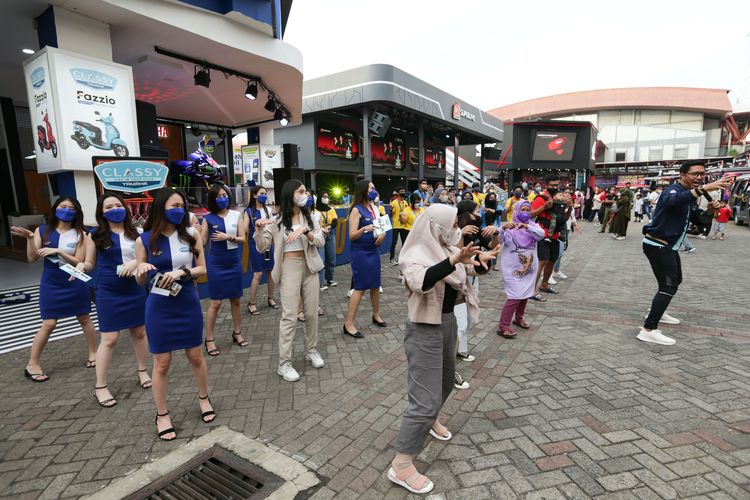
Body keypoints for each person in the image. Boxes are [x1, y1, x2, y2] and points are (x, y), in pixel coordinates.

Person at [388, 204, 494, 494]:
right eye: (451, 225)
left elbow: (462, 273)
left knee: (447, 383)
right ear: (435, 226)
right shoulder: (414, 253)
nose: (456, 230)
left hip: (446, 322)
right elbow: (421, 281)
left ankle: (431, 419)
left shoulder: (444, 246)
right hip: (424, 328)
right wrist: (455, 259)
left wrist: (480, 260)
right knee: (424, 399)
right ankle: (402, 464)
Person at [135, 188, 213, 441]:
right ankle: (162, 413)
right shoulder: (144, 240)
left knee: (196, 356)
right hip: (158, 307)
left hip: (187, 302)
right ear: (161, 208)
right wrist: (141, 269)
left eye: (182, 205)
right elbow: (140, 281)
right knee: (162, 363)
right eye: (173, 205)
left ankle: (204, 398)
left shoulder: (192, 235)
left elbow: (202, 269)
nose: (179, 209)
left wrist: (182, 272)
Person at [639, 161, 730, 345]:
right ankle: (649, 329)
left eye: (702, 174)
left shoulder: (689, 197)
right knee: (668, 286)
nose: (699, 177)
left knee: (674, 281)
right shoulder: (672, 191)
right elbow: (674, 202)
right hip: (657, 245)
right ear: (682, 174)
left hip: (668, 246)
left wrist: (711, 211)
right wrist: (704, 188)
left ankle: (657, 311)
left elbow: (699, 219)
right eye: (694, 174)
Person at [10, 197, 97, 382]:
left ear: (77, 212)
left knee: (84, 318)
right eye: (63, 206)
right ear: (55, 209)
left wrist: (60, 252)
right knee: (49, 323)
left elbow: (81, 261)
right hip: (51, 283)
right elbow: (32, 258)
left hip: (75, 281)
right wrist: (31, 239)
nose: (66, 210)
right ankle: (32, 364)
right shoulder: (42, 230)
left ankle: (93, 353)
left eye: (71, 208)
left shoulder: (82, 233)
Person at [253, 180, 325, 381]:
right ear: (290, 194)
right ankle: (284, 363)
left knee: (311, 313)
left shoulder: (311, 217)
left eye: (305, 192)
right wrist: (258, 229)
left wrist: (305, 230)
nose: (305, 195)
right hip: (289, 268)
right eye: (301, 191)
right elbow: (261, 247)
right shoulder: (276, 221)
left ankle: (312, 350)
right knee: (290, 316)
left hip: (310, 267)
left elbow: (320, 241)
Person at [86, 193, 150, 407]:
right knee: (110, 339)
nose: (114, 209)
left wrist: (135, 263)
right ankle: (100, 386)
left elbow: (147, 257)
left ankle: (142, 371)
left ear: (125, 208)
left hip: (135, 288)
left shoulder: (138, 233)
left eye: (117, 205)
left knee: (139, 332)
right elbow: (89, 264)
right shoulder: (95, 236)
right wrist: (79, 266)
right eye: (108, 206)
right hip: (109, 292)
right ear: (101, 213)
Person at [454, 200, 500, 375]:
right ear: (466, 214)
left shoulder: (479, 230)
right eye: (476, 211)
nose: (479, 214)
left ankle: (460, 348)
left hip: (473, 278)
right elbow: (455, 256)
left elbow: (494, 246)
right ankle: (457, 353)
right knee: (460, 322)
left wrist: (495, 232)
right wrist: (460, 233)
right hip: (458, 281)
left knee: (469, 318)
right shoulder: (456, 231)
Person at [201, 184, 246, 356]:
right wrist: (195, 233)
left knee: (236, 300)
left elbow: (243, 238)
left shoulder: (236, 215)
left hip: (233, 262)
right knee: (215, 302)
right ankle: (209, 338)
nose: (222, 198)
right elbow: (203, 242)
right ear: (213, 199)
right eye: (218, 196)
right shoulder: (208, 218)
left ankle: (237, 332)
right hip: (216, 263)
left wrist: (229, 237)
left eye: (224, 195)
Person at [343, 180, 386, 338]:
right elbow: (352, 235)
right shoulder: (356, 210)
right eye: (371, 189)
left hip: (374, 251)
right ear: (363, 191)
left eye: (374, 188)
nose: (374, 191)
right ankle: (348, 323)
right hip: (360, 253)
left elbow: (383, 227)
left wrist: (382, 234)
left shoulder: (375, 208)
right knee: (360, 288)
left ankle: (376, 315)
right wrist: (363, 229)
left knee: (375, 285)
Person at [497, 200, 546, 337]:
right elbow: (497, 239)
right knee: (514, 296)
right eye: (522, 209)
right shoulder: (510, 227)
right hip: (512, 269)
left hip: (529, 268)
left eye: (527, 209)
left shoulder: (532, 226)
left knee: (525, 294)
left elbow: (541, 234)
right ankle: (503, 325)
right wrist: (503, 228)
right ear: (516, 211)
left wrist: (527, 227)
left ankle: (519, 318)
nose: (525, 212)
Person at [530, 174, 571, 302]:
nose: (555, 187)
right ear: (546, 185)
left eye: (556, 185)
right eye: (552, 185)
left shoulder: (559, 199)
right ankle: (531, 289)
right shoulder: (541, 198)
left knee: (552, 260)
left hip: (555, 234)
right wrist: (544, 207)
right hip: (542, 233)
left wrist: (569, 207)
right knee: (541, 261)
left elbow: (564, 218)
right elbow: (530, 215)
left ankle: (544, 284)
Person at [243, 186, 279, 315]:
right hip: (255, 247)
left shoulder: (269, 210)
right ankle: (252, 303)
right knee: (257, 275)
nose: (264, 195)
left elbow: (273, 226)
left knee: (270, 272)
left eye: (265, 193)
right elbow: (245, 231)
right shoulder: (248, 212)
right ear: (254, 195)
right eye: (261, 193)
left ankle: (270, 298)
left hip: (268, 247)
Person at [316, 191, 339, 288]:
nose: (326, 198)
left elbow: (335, 221)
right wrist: (322, 229)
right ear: (320, 198)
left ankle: (329, 279)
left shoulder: (331, 210)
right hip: (320, 235)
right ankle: (320, 283)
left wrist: (329, 227)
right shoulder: (315, 211)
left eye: (327, 196)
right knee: (321, 260)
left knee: (331, 258)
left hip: (330, 235)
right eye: (324, 196)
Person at [389, 187, 408, 265]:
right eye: (401, 191)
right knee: (394, 242)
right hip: (396, 225)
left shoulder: (406, 202)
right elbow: (391, 214)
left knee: (404, 243)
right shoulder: (393, 202)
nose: (403, 192)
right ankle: (392, 259)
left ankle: (403, 258)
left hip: (404, 225)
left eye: (404, 191)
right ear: (397, 193)